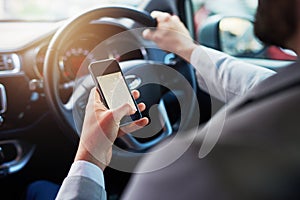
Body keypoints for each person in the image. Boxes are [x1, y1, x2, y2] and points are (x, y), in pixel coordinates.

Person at [31, 0, 300, 199]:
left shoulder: (196, 169)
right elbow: (260, 85)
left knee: (37, 189)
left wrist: (89, 156)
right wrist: (185, 48)